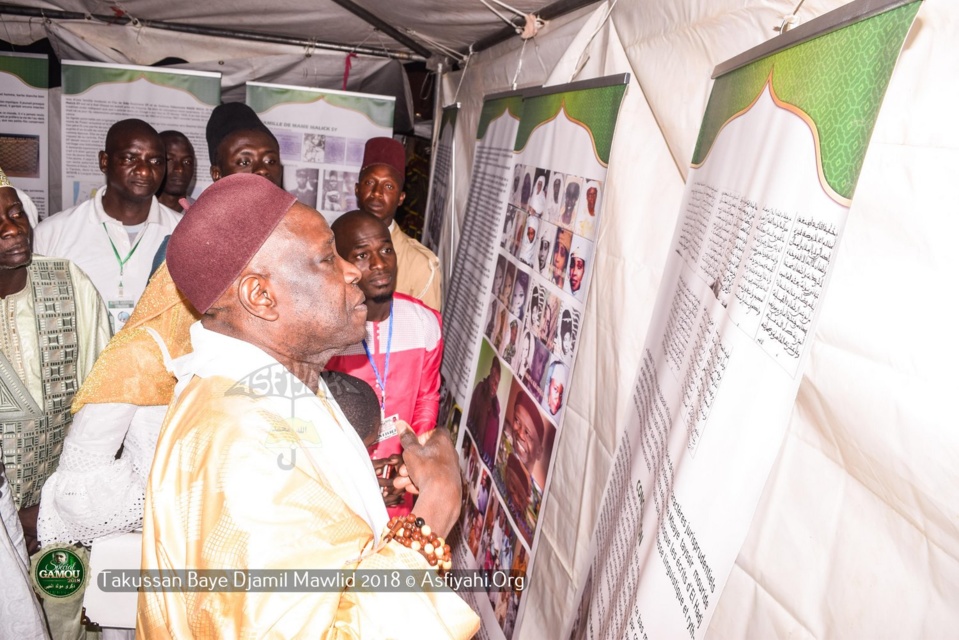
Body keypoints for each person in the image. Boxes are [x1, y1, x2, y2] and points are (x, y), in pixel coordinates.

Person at [140, 173, 479, 638]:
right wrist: (433, 514)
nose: (354, 269)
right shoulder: (242, 446)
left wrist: (356, 493)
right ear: (260, 296)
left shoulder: (273, 381)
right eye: (327, 257)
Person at [38, 102, 285, 551]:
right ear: (217, 173)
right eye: (244, 162)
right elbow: (153, 350)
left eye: (270, 161)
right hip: (157, 414)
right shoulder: (184, 244)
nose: (260, 174)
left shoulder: (293, 242)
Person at [0, 169, 111, 636]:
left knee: (63, 615)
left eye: (14, 214)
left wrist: (53, 501)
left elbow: (104, 397)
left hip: (60, 506)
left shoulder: (68, 280)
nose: (12, 228)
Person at [325, 210, 443, 515]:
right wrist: (361, 474)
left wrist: (410, 460)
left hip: (402, 476)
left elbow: (427, 398)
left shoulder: (424, 322)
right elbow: (316, 415)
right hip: (338, 481)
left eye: (386, 249)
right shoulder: (327, 331)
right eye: (362, 255)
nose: (379, 264)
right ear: (341, 265)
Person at [34, 118, 181, 332]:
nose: (144, 171)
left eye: (156, 162)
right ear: (104, 161)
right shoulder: (52, 233)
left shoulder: (183, 232)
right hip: (82, 365)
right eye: (130, 158)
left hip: (154, 364)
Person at [355, 137, 442, 311]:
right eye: (370, 182)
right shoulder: (332, 249)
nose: (377, 193)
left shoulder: (420, 266)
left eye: (388, 186)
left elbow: (426, 334)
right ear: (357, 189)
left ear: (401, 198)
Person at [467, 357, 502, 465]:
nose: (493, 385)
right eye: (492, 379)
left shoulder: (496, 415)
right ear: (489, 374)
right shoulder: (480, 390)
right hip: (469, 454)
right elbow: (470, 416)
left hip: (483, 465)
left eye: (496, 383)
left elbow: (494, 447)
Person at [156, 130, 196, 213]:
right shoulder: (136, 214)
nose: (180, 169)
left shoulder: (203, 215)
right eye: (169, 160)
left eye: (187, 162)